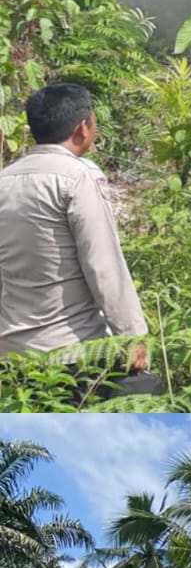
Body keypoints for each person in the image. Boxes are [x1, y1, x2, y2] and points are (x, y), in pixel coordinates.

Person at [0, 84, 149, 373]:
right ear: (83, 129)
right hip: (72, 354)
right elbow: (103, 263)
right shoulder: (79, 176)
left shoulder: (4, 180)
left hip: (10, 355)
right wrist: (132, 334)